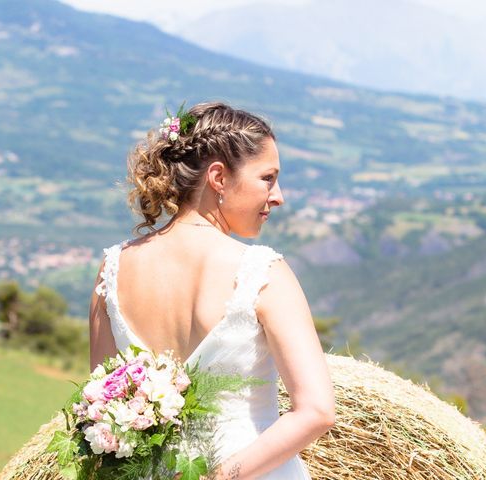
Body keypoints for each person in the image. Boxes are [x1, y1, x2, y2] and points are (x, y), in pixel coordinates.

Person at [89, 102, 335, 479]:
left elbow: (102, 406)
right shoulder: (263, 273)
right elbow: (317, 411)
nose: (278, 195)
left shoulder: (113, 269)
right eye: (267, 178)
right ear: (218, 177)